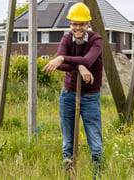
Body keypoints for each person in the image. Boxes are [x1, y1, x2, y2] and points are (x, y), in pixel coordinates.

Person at [43, 2, 104, 178]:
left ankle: (96, 176)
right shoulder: (66, 39)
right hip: (68, 95)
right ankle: (68, 175)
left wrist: (62, 58)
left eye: (81, 24)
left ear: (88, 24)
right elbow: (59, 66)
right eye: (74, 24)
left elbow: (87, 59)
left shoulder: (96, 40)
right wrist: (80, 67)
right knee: (67, 144)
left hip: (91, 97)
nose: (77, 28)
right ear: (70, 24)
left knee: (96, 145)